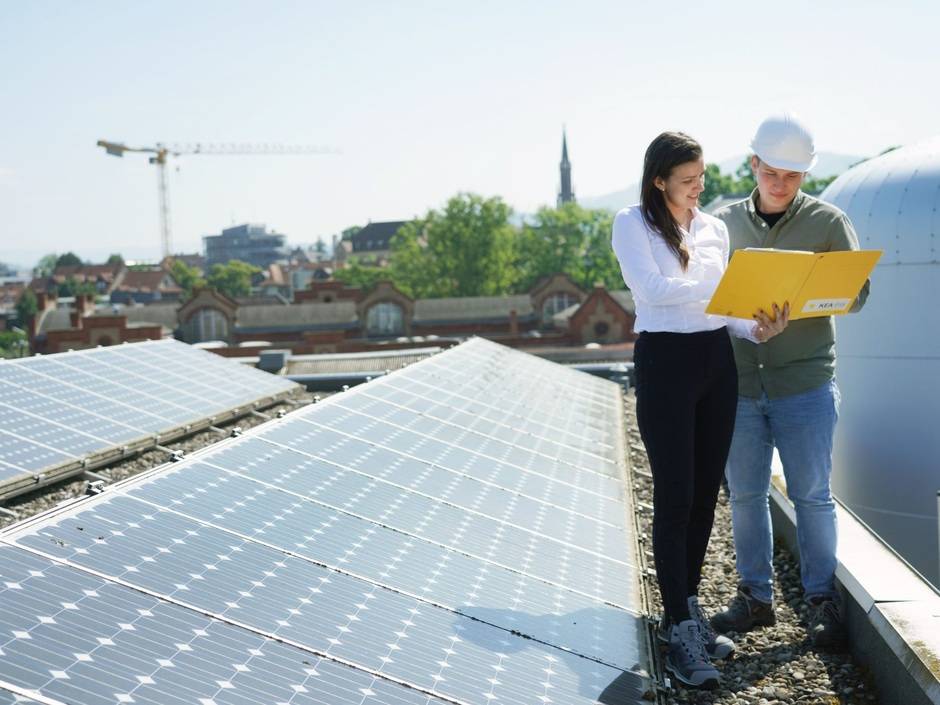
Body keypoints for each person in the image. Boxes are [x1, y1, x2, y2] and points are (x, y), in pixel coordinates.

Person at [612, 132, 788, 689]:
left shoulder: (714, 229)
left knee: (706, 494)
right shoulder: (631, 223)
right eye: (688, 180)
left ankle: (683, 611)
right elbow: (653, 290)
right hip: (665, 362)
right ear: (659, 179)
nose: (698, 189)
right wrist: (717, 286)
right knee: (675, 494)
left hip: (717, 360)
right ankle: (683, 626)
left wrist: (758, 327)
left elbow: (729, 310)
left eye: (702, 179)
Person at [709, 113, 870, 648]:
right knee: (747, 496)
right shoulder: (720, 224)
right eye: (772, 171)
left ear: (806, 175)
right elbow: (702, 296)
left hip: (805, 384)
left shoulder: (829, 223)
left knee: (813, 496)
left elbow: (858, 294)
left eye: (793, 175)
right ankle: (756, 599)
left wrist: (798, 304)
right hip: (739, 386)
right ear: (753, 164)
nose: (781, 183)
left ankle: (822, 600)